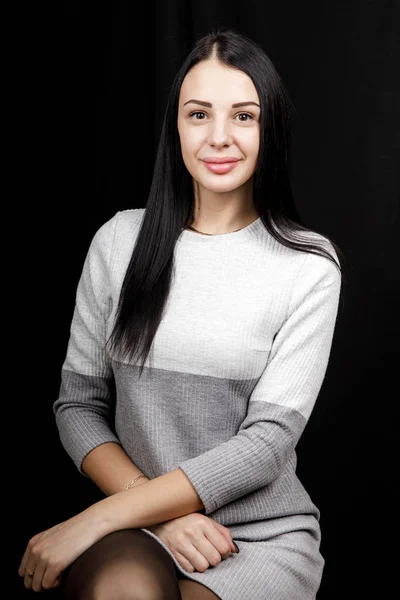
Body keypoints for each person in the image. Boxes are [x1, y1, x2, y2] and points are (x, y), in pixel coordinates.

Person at [19, 27, 346, 599]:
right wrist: (153, 512)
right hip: (137, 521)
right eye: (199, 114)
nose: (220, 137)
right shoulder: (120, 241)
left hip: (261, 537)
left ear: (271, 130)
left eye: (244, 116)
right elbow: (78, 406)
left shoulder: (308, 265)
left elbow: (265, 445)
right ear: (176, 126)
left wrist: (91, 518)